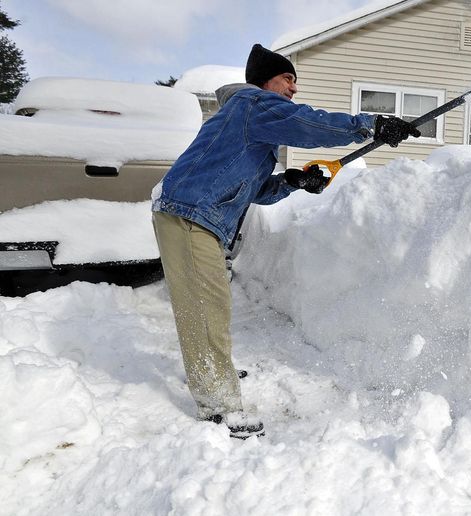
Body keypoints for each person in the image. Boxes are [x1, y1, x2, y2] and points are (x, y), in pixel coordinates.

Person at [151, 43, 420, 439]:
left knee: (209, 304)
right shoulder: (251, 105)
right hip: (190, 214)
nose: (294, 89)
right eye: (288, 78)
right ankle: (219, 408)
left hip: (201, 215)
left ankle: (214, 366)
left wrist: (292, 182)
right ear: (265, 80)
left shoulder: (250, 119)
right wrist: (370, 124)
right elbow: (307, 123)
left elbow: (256, 190)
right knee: (205, 307)